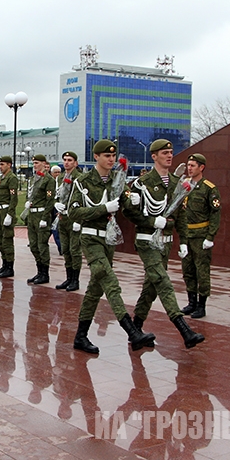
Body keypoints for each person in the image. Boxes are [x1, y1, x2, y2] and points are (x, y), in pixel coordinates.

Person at [68, 139, 154, 355]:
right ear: (96, 157)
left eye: (113, 156)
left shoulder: (117, 178)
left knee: (95, 289)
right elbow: (74, 212)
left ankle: (80, 336)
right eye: (106, 156)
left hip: (109, 240)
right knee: (111, 282)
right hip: (90, 239)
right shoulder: (84, 180)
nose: (111, 159)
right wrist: (102, 208)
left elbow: (125, 203)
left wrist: (135, 200)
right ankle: (132, 332)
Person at [125, 139, 204, 349]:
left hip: (166, 242)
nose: (169, 156)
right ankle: (184, 330)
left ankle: (135, 329)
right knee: (162, 281)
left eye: (170, 152)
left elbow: (181, 215)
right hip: (146, 241)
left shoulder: (176, 183)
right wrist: (152, 221)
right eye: (164, 153)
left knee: (150, 288)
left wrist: (184, 241)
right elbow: (129, 212)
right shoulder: (143, 183)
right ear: (154, 156)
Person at [176, 153, 221, 319]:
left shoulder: (209, 188)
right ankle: (191, 302)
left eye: (193, 165)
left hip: (201, 236)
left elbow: (215, 214)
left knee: (202, 270)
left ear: (201, 167)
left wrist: (210, 237)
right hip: (186, 235)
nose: (189, 168)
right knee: (187, 270)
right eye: (188, 165)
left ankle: (202, 305)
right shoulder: (184, 185)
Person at [54, 151, 83, 291]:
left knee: (74, 250)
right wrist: (56, 204)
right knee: (65, 249)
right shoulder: (60, 178)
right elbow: (57, 195)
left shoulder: (80, 178)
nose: (66, 162)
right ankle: (68, 278)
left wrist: (79, 219)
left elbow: (83, 199)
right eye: (65, 160)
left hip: (74, 219)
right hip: (63, 218)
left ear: (75, 163)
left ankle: (75, 280)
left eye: (70, 160)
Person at [25, 154, 56, 284]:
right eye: (34, 163)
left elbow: (50, 200)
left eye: (37, 163)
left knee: (42, 245)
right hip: (32, 215)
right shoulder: (34, 179)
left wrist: (44, 218)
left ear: (44, 164)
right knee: (33, 245)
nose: (35, 165)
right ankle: (39, 271)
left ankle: (45, 273)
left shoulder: (48, 180)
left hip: (41, 214)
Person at [0, 156, 19, 278]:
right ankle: (4, 264)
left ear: (9, 165)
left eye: (3, 164)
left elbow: (14, 198)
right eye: (0, 164)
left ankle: (10, 267)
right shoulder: (0, 178)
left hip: (5, 211)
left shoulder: (11, 178)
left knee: (7, 240)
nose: (0, 166)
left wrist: (10, 214)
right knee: (0, 240)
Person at [50, 164, 62, 255]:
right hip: (50, 208)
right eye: (55, 172)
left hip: (58, 208)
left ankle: (61, 247)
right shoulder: (50, 182)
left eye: (59, 172)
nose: (57, 174)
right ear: (51, 173)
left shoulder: (62, 182)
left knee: (56, 229)